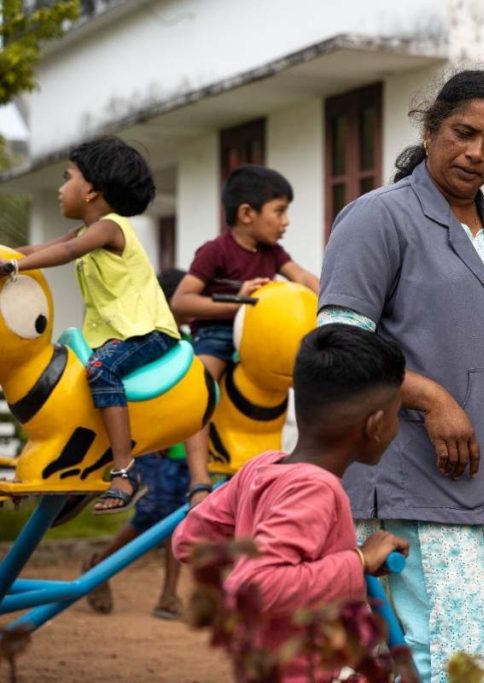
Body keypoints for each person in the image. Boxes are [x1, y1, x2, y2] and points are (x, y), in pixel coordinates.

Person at [318, 69, 484, 682]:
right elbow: (339, 344)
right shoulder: (378, 218)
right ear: (430, 128)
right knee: (433, 658)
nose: (475, 154)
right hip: (412, 484)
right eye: (463, 133)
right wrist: (431, 398)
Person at [172, 324, 410, 682]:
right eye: (397, 413)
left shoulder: (262, 468)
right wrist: (359, 560)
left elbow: (189, 540)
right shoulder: (316, 489)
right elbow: (257, 585)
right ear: (375, 424)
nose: (396, 426)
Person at [0, 136, 180, 514]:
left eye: (67, 179)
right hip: (116, 334)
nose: (61, 189)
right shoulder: (87, 232)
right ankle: (82, 473)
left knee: (101, 370)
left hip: (147, 332)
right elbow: (42, 249)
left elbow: (63, 254)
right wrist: (10, 255)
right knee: (78, 381)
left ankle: (125, 470)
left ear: (93, 190)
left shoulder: (110, 228)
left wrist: (14, 267)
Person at [170, 165, 320, 508]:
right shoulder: (215, 251)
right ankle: (198, 478)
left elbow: (302, 277)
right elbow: (181, 301)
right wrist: (238, 303)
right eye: (279, 211)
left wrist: (333, 299)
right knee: (201, 391)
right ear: (247, 214)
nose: (286, 222)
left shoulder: (273, 253)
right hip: (219, 335)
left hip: (260, 339)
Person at [81, 268, 193, 620]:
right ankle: (98, 566)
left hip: (183, 446)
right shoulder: (143, 342)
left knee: (178, 518)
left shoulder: (183, 339)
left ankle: (169, 595)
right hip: (158, 446)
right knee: (155, 514)